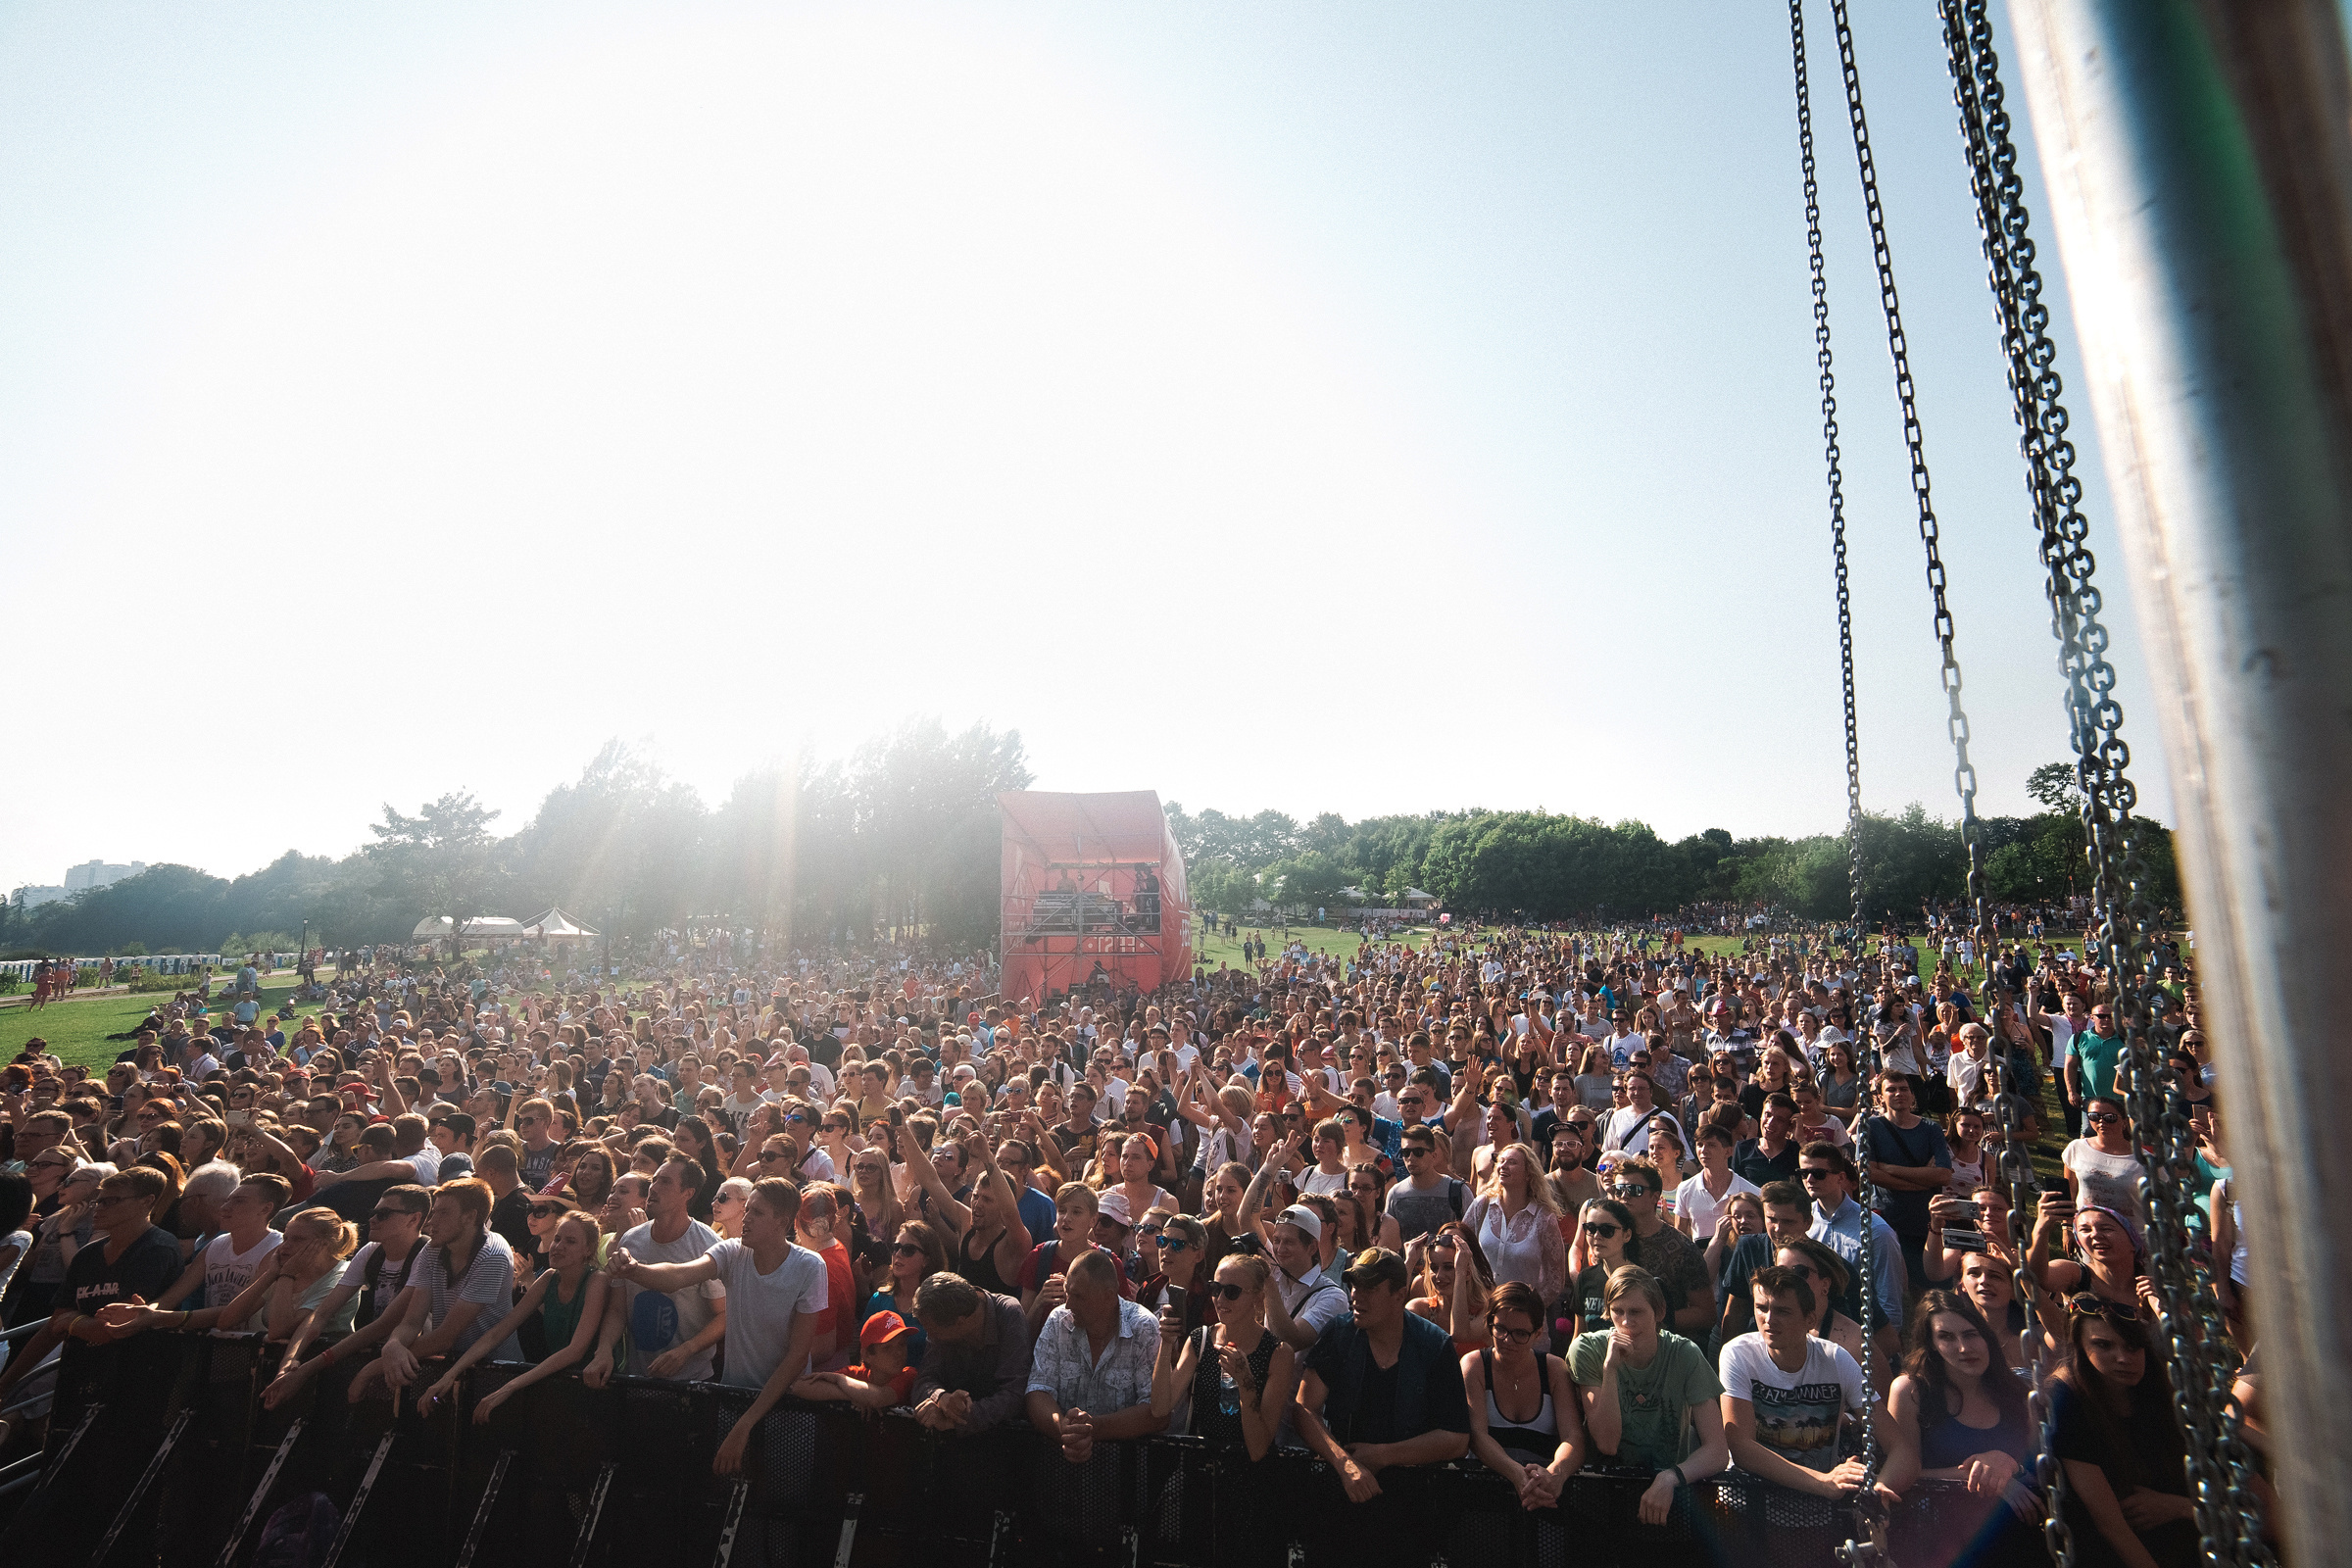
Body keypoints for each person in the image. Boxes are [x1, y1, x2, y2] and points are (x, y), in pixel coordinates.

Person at [606, 1176, 826, 1475]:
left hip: (787, 1408)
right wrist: (635, 1269)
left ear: (781, 1222)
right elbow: (677, 1276)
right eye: (747, 1209)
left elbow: (797, 1356)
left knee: (781, 1507)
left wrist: (745, 1424)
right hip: (732, 1401)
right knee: (728, 1501)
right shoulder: (732, 1251)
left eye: (757, 1213)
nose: (746, 1218)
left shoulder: (811, 1266)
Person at [1294, 1247, 1472, 1555]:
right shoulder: (1340, 1333)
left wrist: (1384, 1455)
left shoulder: (1434, 1346)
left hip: (1411, 1509)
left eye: (1370, 1288)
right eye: (1354, 1286)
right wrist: (1345, 1464)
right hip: (1341, 1499)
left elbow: (1456, 1439)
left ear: (1399, 1294)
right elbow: (1303, 1409)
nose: (1356, 1297)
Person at [1878, 1290, 2041, 1567]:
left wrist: (2010, 1466)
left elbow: (2042, 1468)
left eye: (1970, 1334)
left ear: (1986, 1335)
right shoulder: (1911, 1392)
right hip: (1939, 1541)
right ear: (1931, 1344)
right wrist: (1988, 1475)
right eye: (1946, 1337)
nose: (1964, 1348)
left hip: (2014, 1539)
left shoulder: (2017, 1393)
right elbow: (1904, 1474)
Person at [0, 1166, 180, 1412]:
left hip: (133, 1383)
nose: (99, 1207)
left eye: (110, 1201)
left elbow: (116, 1328)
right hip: (80, 1374)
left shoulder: (157, 1248)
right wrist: (6, 1383)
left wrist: (73, 1323)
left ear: (146, 1202)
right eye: (98, 1201)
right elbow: (53, 1327)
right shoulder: (87, 1255)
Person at [2046, 1294, 2200, 1568]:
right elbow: (2109, 1524)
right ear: (2079, 1347)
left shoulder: (2159, 1393)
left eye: (2132, 1347)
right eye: (2103, 1345)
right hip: (2107, 1552)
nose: (2123, 1358)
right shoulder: (2064, 1399)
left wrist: (2177, 1507)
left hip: (2184, 1538)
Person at [1570, 1264, 1730, 1526]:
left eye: (1636, 1312)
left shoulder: (1684, 1354)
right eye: (1617, 1311)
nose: (1626, 1322)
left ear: (1659, 1312)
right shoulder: (1588, 1350)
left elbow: (1717, 1450)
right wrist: (1610, 1369)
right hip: (1604, 1491)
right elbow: (1607, 1443)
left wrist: (1670, 1477)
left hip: (1667, 1491)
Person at [419, 1208, 612, 1422]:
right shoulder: (549, 1278)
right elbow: (498, 1332)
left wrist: (509, 1386)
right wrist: (451, 1374)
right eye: (557, 1239)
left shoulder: (597, 1280)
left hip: (596, 1390)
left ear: (589, 1249)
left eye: (571, 1241)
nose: (559, 1247)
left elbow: (575, 1351)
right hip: (559, 1383)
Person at [1718, 1264, 1880, 1500]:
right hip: (1749, 1503)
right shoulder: (1738, 1354)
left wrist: (1880, 1491)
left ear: (1810, 1319)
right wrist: (1822, 1482)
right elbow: (1742, 1448)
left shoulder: (1836, 1359)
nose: (1769, 1320)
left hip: (1815, 1507)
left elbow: (1899, 1447)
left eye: (1783, 1311)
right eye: (1761, 1308)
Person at [1150, 1249, 1298, 1459]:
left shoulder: (1278, 1353)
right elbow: (1160, 1408)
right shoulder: (1200, 1339)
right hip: (1200, 1474)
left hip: (1248, 1479)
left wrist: (1245, 1382)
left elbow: (1258, 1449)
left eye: (1231, 1292)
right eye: (1215, 1288)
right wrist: (1166, 1344)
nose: (1220, 1299)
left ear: (1258, 1298)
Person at [1026, 1248, 1165, 1464]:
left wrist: (1093, 1429)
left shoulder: (1144, 1327)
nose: (1069, 1304)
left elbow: (1157, 1411)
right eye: (1067, 1293)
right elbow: (1038, 1389)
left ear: (1109, 1296)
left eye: (1079, 1297)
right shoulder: (1058, 1320)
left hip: (1123, 1477)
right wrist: (1063, 1429)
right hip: (1060, 1471)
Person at [1463, 1280, 1587, 1513]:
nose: (1507, 1341)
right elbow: (1477, 1435)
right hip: (1484, 1499)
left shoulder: (1554, 1370)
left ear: (1538, 1333)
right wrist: (1517, 1475)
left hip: (1544, 1498)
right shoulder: (1474, 1365)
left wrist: (1555, 1475)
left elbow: (1573, 1437)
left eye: (1520, 1333)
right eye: (1500, 1329)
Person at [604, 1155, 727, 1382]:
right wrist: (603, 1351)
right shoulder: (631, 1239)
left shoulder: (707, 1245)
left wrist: (686, 1351)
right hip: (637, 1378)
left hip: (691, 1381)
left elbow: (723, 1315)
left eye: (666, 1182)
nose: (654, 1188)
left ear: (687, 1193)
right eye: (654, 1180)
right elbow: (617, 1310)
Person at [1462, 1142, 1567, 1350]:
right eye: (1500, 1161)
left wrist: (1526, 1309)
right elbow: (1461, 1248)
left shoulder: (1544, 1219)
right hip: (1481, 1318)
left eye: (1512, 1162)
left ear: (1529, 1174)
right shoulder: (1481, 1206)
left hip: (1526, 1327)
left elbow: (1555, 1281)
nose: (1503, 1166)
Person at [1859, 1072, 1953, 1295]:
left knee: (1929, 1286)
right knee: (1889, 1286)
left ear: (1913, 1095)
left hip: (1923, 1217)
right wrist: (1922, 1179)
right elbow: (1868, 1174)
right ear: (1880, 1097)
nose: (1898, 1094)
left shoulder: (1931, 1129)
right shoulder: (1870, 1126)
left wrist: (1890, 1169)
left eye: (1903, 1089)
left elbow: (1943, 1176)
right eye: (1891, 1090)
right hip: (1887, 1217)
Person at [908, 1270, 1033, 1436]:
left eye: (935, 1333)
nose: (930, 1337)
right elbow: (924, 1380)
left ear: (960, 1322)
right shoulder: (940, 1318)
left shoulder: (1008, 1314)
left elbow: (1014, 1395)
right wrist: (941, 1398)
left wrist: (958, 1418)